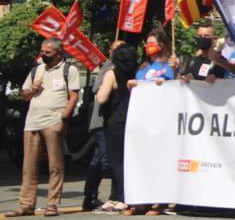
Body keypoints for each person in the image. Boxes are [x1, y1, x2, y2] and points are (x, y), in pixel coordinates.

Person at [6, 38, 81, 218]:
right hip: (32, 122)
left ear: (58, 52)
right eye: (42, 52)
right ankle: (26, 204)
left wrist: (63, 117)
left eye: (47, 53)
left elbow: (73, 96)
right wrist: (32, 89)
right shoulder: (36, 69)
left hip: (54, 122)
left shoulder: (68, 70)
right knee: (28, 167)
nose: (43, 55)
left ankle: (52, 204)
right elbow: (24, 95)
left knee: (55, 165)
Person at [96, 46, 139, 214]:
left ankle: (122, 196)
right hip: (133, 120)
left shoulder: (112, 74)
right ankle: (115, 196)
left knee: (116, 161)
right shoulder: (138, 73)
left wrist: (99, 88)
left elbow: (102, 97)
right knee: (128, 160)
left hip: (117, 120)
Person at [83, 41, 124, 211]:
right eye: (116, 50)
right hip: (101, 121)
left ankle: (90, 197)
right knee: (105, 159)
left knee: (100, 158)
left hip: (109, 121)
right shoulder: (108, 67)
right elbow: (96, 88)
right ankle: (97, 196)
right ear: (110, 52)